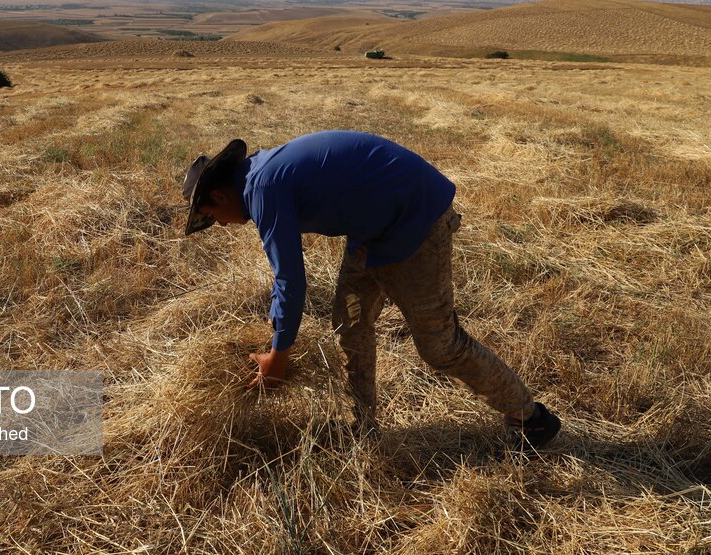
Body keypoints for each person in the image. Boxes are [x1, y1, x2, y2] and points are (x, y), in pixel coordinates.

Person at [181, 130, 560, 448]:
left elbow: (290, 281)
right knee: (350, 324)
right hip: (372, 230)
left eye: (213, 218)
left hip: (415, 219)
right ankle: (362, 428)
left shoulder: (263, 186)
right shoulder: (261, 175)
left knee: (439, 345)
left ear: (219, 196)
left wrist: (278, 360)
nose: (224, 225)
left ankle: (531, 418)